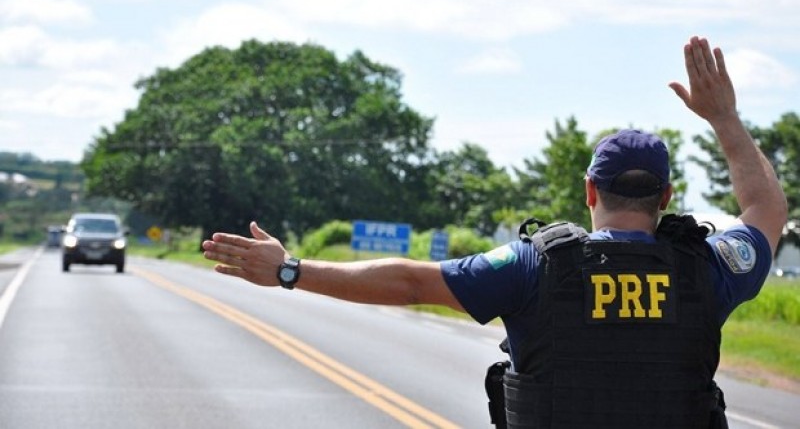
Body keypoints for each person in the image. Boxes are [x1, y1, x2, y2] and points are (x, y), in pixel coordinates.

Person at [202, 36, 787, 428]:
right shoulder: (709, 268)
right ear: (665, 197)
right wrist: (724, 119)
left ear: (589, 191)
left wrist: (289, 270)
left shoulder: (534, 265)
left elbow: (409, 283)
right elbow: (764, 209)